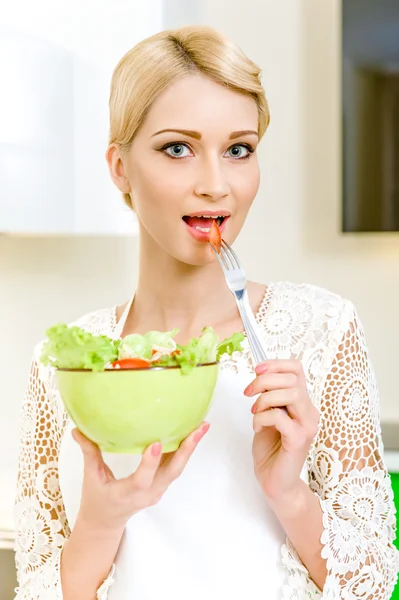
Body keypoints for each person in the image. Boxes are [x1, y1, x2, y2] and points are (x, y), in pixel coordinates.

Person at [14, 25, 399, 600]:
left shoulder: (322, 330)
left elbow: (372, 586)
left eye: (238, 150)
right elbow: (40, 588)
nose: (216, 185)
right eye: (178, 148)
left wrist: (288, 492)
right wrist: (101, 521)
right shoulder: (65, 364)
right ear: (120, 167)